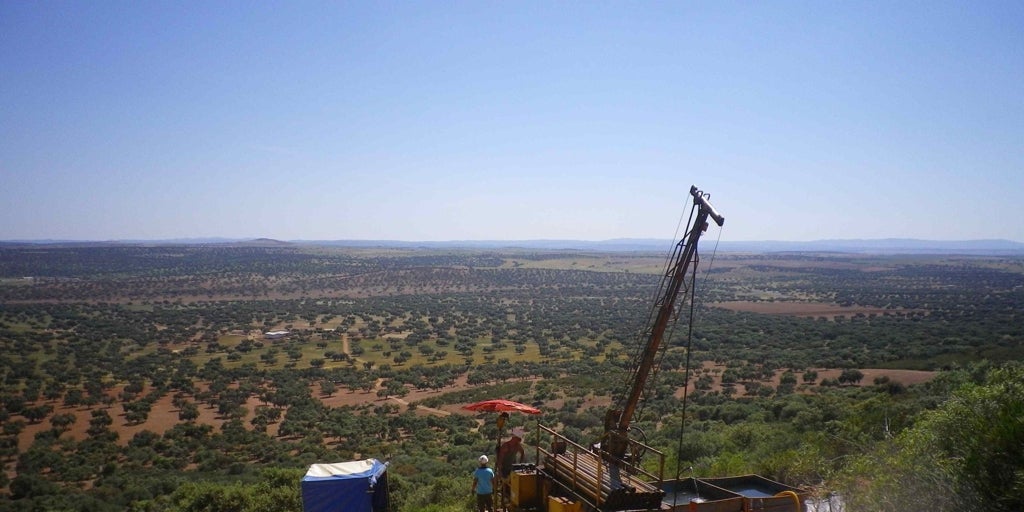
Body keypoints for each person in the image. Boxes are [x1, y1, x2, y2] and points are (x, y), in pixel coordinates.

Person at [496, 427, 526, 499]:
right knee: (505, 488)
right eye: (518, 439)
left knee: (513, 487)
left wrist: (520, 464)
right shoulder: (505, 446)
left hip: (513, 469)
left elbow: (522, 452)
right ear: (514, 438)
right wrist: (500, 472)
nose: (519, 441)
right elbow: (499, 460)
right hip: (504, 470)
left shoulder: (517, 446)